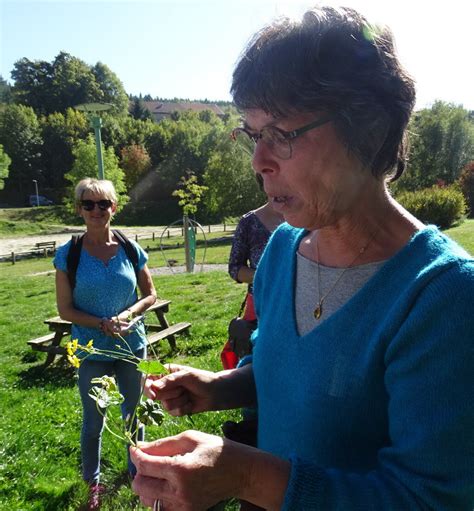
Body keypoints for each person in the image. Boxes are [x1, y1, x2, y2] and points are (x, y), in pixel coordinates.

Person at [131, 7, 474, 510]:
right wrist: (221, 386)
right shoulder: (283, 251)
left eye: (282, 134)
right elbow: (285, 366)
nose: (258, 161)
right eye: (253, 134)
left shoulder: (444, 297)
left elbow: (429, 499)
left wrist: (246, 477)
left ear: (371, 129)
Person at [54, 178, 157, 509]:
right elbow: (65, 309)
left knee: (133, 414)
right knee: (94, 419)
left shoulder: (130, 249)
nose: (96, 210)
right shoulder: (68, 254)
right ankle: (93, 483)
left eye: (103, 204)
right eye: (88, 204)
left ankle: (136, 473)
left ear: (114, 207)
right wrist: (101, 323)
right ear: (79, 209)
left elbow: (150, 295)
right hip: (91, 348)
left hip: (131, 344)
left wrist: (127, 314)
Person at [222, 182, 284, 369]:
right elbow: (235, 268)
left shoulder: (305, 218)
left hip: (302, 305)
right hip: (260, 307)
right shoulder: (249, 222)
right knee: (259, 364)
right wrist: (268, 276)